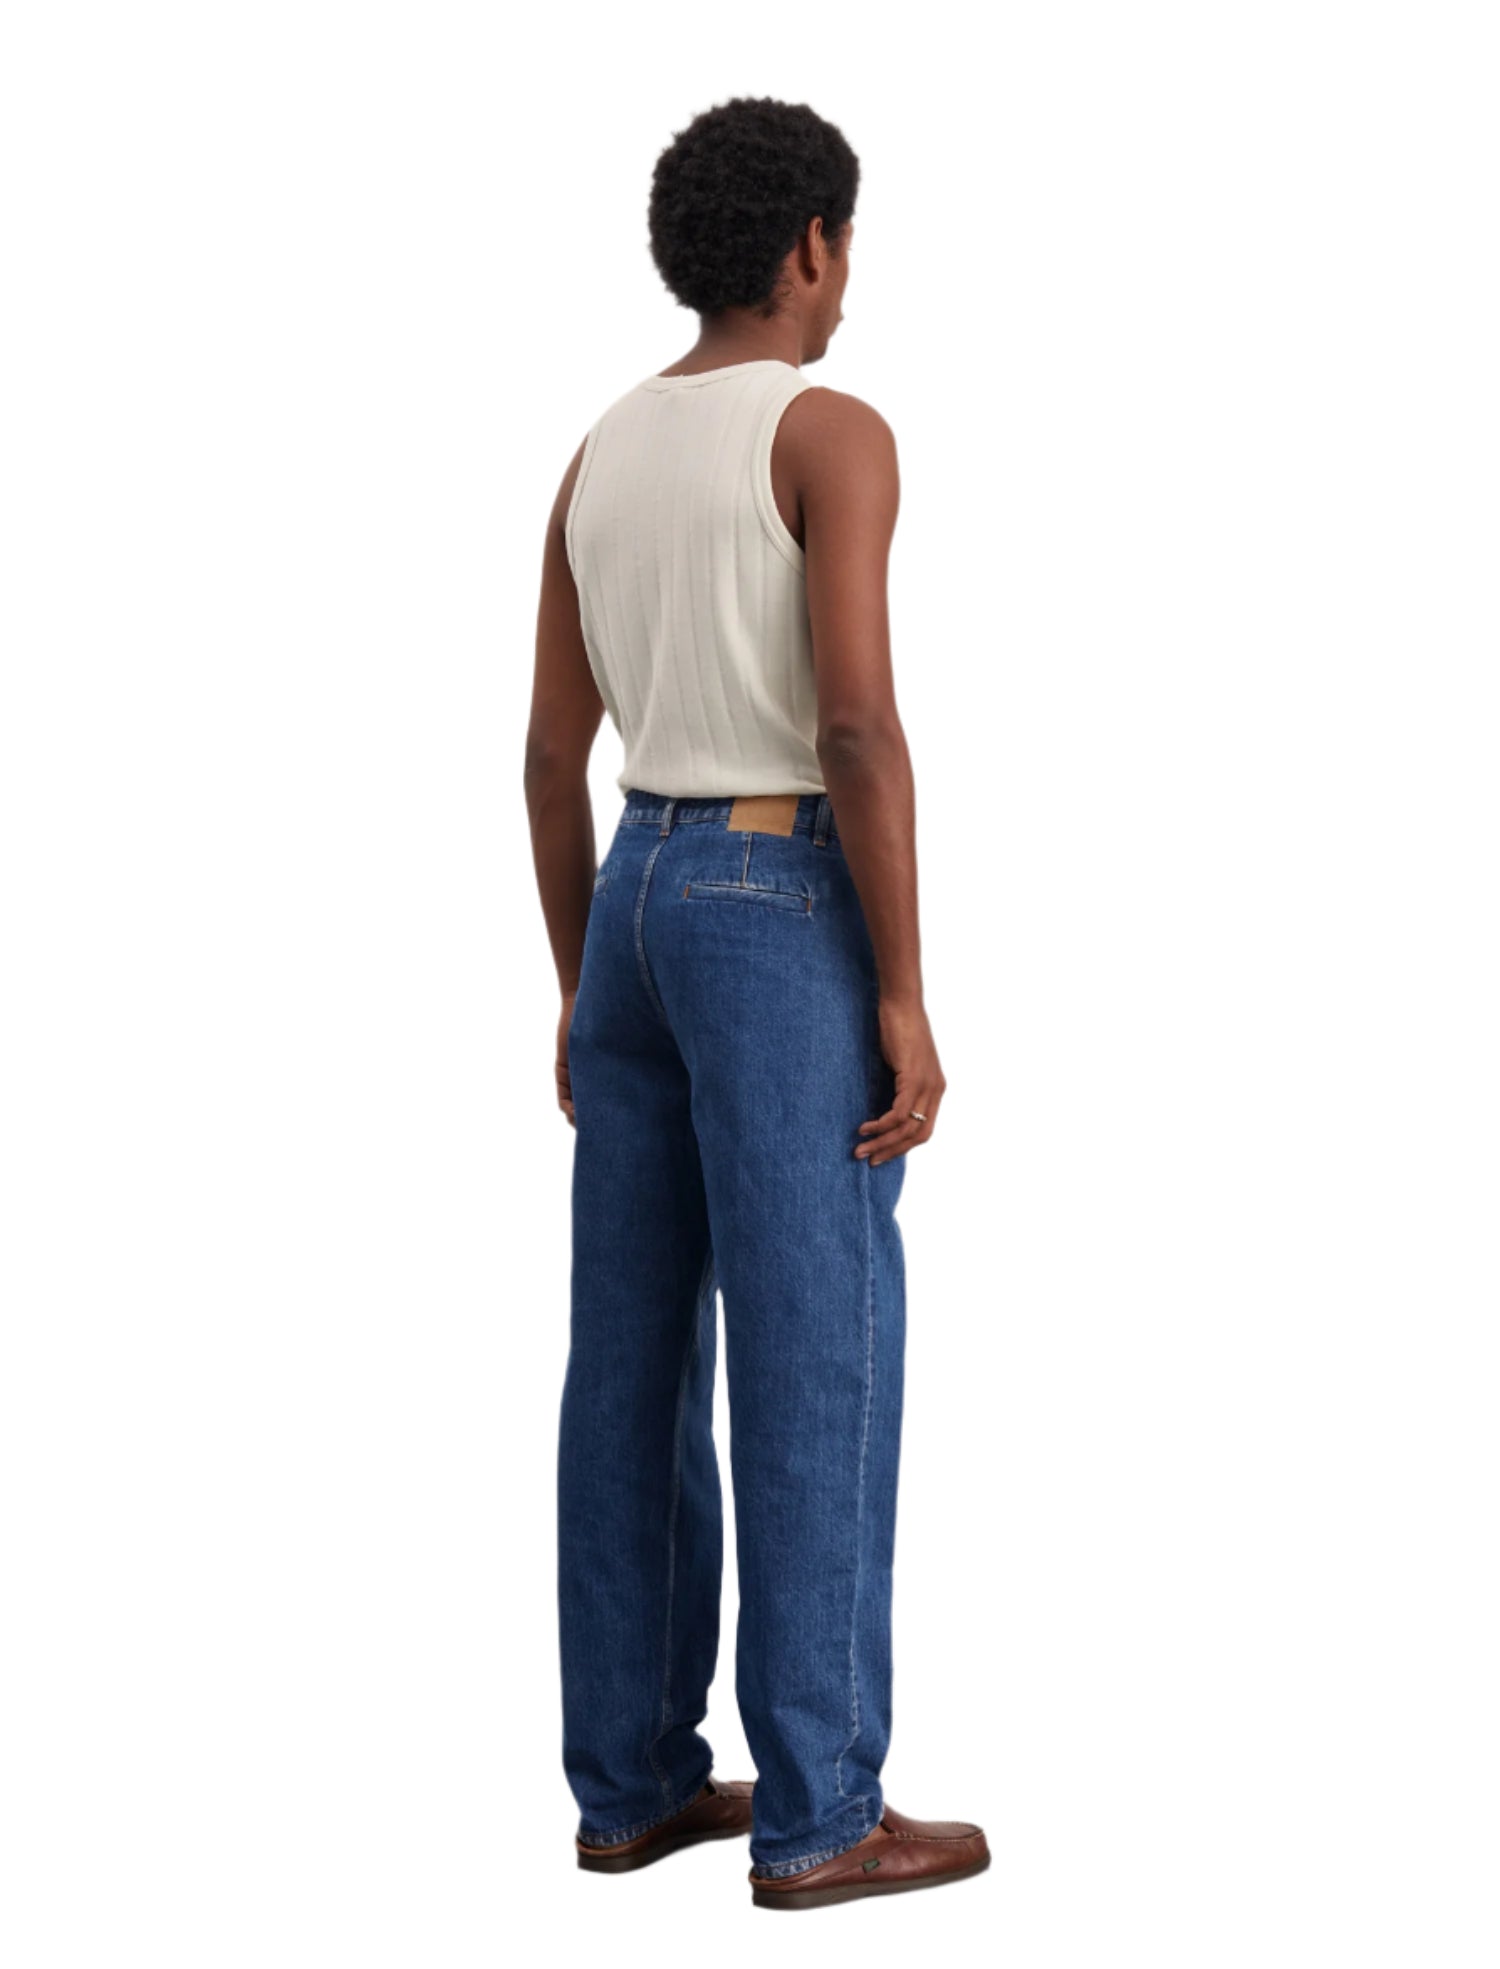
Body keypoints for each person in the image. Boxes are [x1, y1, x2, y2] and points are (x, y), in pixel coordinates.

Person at [525, 96, 987, 1911]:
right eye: (845, 246)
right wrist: (905, 987)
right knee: (815, 1341)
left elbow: (549, 751)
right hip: (775, 893)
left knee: (631, 1356)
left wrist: (580, 979)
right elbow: (856, 722)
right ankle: (820, 1810)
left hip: (635, 887)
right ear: (809, 245)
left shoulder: (599, 452)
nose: (847, 281)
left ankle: (632, 1781)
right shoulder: (828, 431)